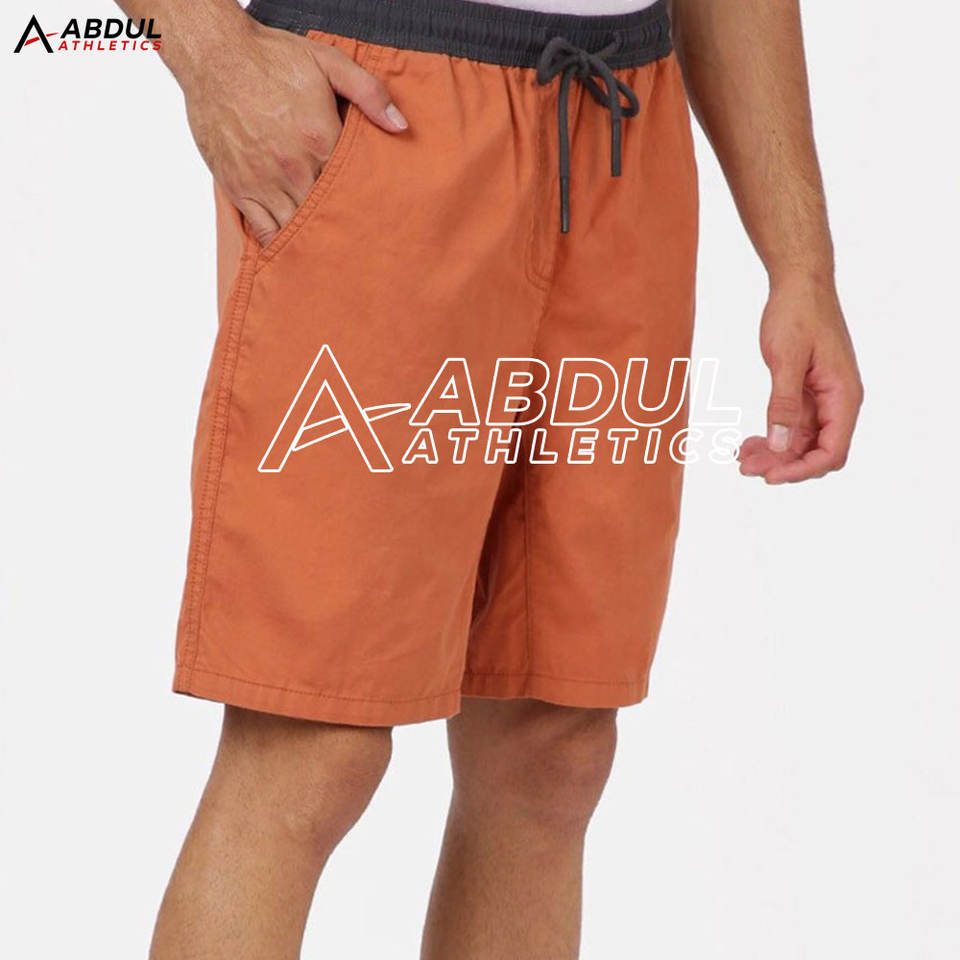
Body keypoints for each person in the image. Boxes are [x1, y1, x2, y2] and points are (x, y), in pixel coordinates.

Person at [119, 0, 863, 956]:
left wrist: (801, 264)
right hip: (386, 101)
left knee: (552, 745)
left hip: (621, 124)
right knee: (313, 746)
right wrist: (211, 50)